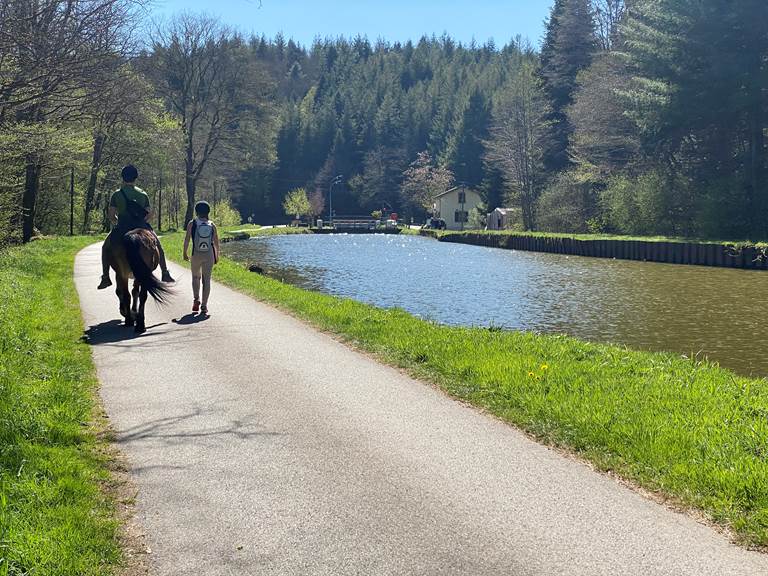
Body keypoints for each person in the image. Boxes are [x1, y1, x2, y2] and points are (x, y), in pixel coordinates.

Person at [98, 165, 174, 289]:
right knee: (158, 245)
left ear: (122, 178)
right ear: (135, 178)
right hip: (141, 226)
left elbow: (111, 215)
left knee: (105, 247)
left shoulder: (117, 194)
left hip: (122, 226)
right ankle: (165, 272)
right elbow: (150, 214)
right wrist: (143, 221)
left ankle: (105, 277)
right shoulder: (142, 194)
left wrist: (117, 222)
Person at [183, 201, 220, 315]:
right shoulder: (212, 225)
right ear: (208, 212)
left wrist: (185, 252)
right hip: (208, 254)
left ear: (196, 211)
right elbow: (216, 242)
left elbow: (187, 239)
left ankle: (196, 300)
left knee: (195, 277)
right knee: (206, 280)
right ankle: (204, 305)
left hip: (196, 254)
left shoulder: (192, 223)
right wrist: (217, 255)